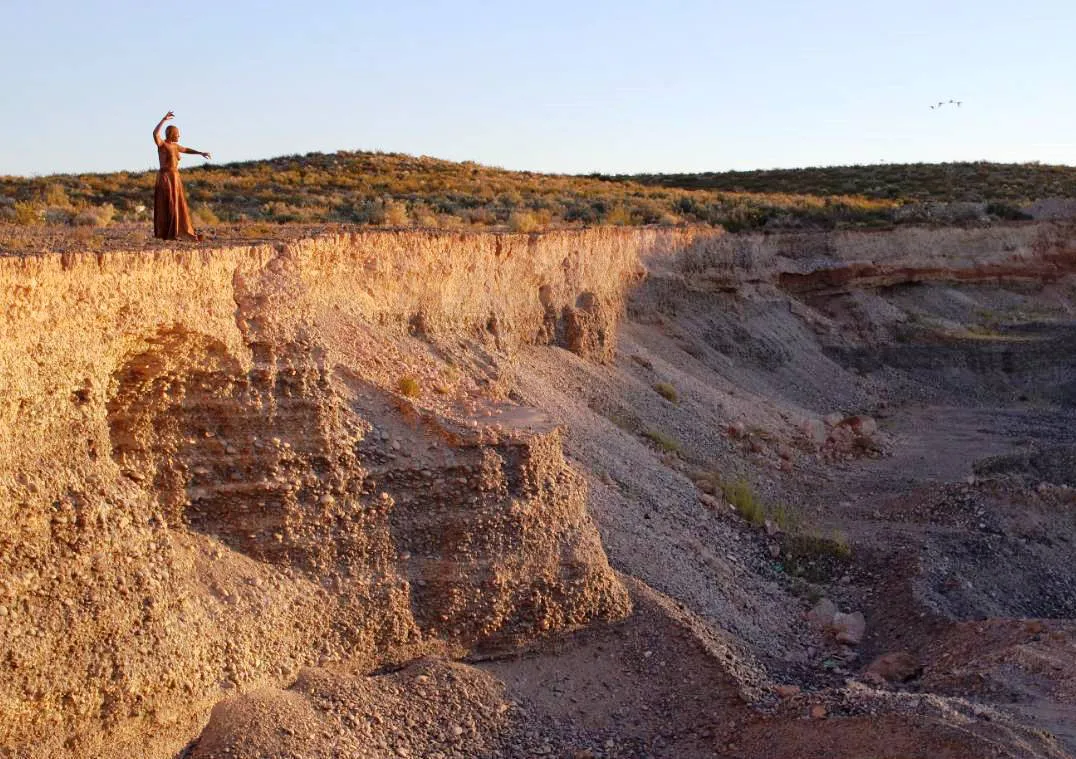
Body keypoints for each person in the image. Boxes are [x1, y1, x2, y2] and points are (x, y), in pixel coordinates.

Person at [152, 111, 211, 240]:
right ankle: (168, 232)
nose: (179, 135)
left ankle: (179, 231)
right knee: (168, 202)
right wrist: (163, 120)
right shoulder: (163, 145)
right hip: (166, 177)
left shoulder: (175, 146)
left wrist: (200, 153)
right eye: (177, 133)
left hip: (175, 177)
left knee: (177, 203)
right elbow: (155, 134)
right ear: (172, 134)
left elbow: (186, 149)